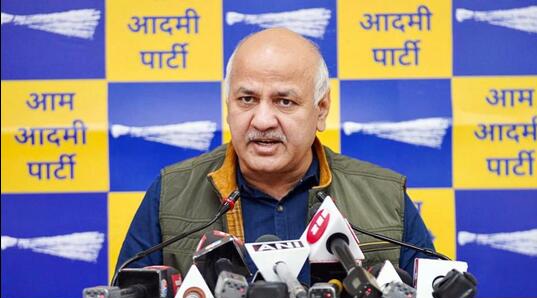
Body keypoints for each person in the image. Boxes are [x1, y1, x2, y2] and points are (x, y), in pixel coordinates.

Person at [116, 28, 434, 282]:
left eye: (284, 101)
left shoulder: (384, 196)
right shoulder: (171, 193)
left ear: (321, 109)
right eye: (247, 99)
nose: (263, 120)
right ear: (228, 105)